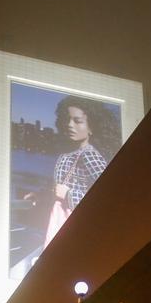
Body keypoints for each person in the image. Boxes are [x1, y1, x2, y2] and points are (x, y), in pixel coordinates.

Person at [43, 96, 118, 246]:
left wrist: (68, 195)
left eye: (77, 121)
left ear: (92, 128)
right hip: (59, 221)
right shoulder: (68, 153)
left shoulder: (89, 155)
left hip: (76, 227)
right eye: (67, 120)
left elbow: (108, 197)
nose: (70, 125)